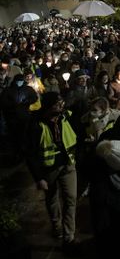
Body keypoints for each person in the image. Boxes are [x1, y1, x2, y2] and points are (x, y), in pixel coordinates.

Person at [24, 92, 79, 250]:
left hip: (69, 165)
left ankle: (69, 236)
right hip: (49, 169)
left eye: (62, 103)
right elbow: (30, 153)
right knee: (52, 199)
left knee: (71, 199)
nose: (61, 106)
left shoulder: (66, 117)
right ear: (48, 106)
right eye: (57, 104)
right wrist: (38, 178)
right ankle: (57, 226)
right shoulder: (36, 125)